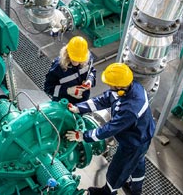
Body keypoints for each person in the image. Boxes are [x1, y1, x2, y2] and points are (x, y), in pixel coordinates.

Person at [65, 63, 156, 195]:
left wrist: (83, 136)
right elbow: (103, 100)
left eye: (110, 83)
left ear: (118, 85)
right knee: (137, 162)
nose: (108, 86)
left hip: (134, 143)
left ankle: (108, 192)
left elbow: (109, 130)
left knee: (118, 169)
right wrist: (79, 108)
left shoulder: (130, 108)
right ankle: (136, 189)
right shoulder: (130, 87)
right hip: (143, 134)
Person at [44, 36, 96, 104]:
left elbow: (92, 71)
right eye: (74, 59)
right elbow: (48, 89)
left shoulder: (88, 58)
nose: (77, 63)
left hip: (82, 102)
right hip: (63, 103)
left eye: (80, 60)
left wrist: (90, 80)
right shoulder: (58, 67)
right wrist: (68, 91)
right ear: (67, 53)